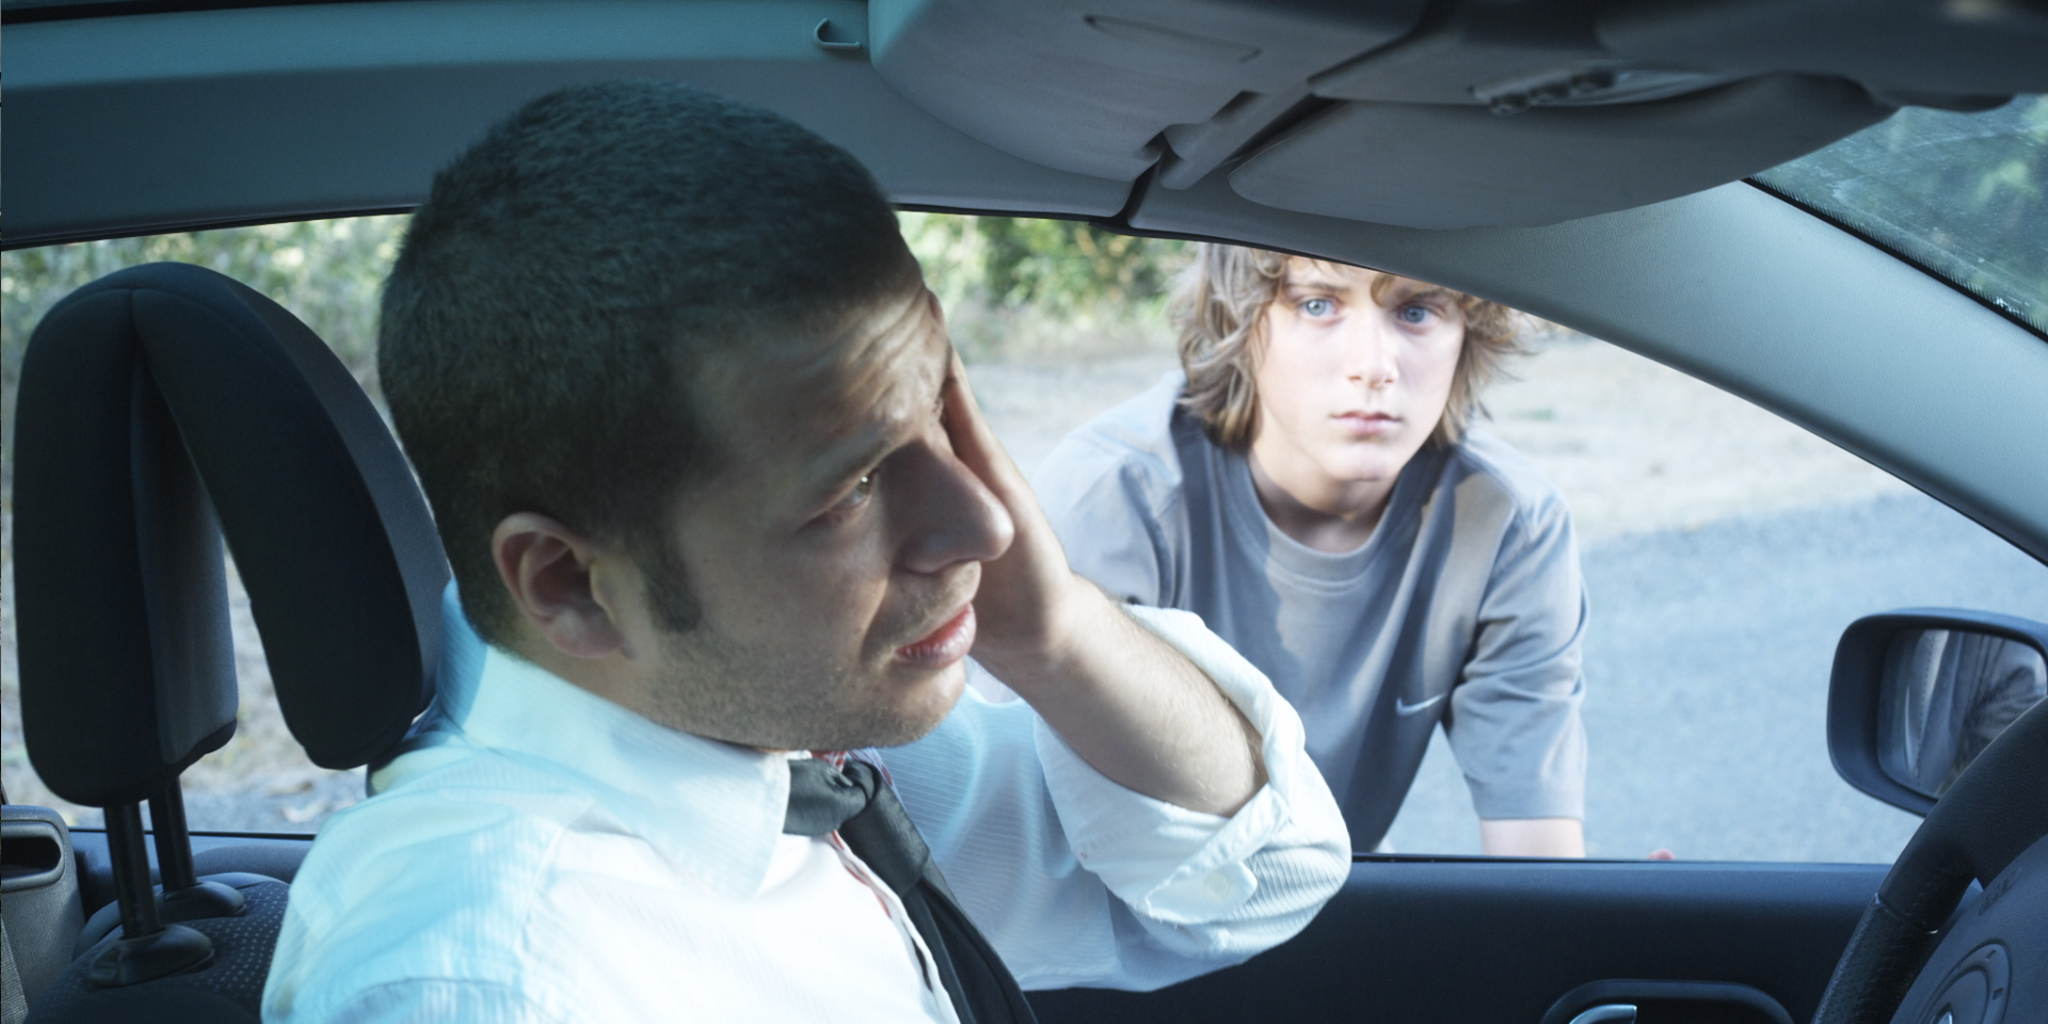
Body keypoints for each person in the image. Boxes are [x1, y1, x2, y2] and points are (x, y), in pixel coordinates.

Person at [259, 84, 1349, 1023]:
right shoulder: (500, 977)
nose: (987, 522)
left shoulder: (765, 727)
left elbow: (1257, 877)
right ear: (569, 585)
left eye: (941, 415)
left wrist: (1052, 632)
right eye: (853, 487)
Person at [1035, 244, 1588, 856]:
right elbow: (1023, 837)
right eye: (1318, 304)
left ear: (1468, 332)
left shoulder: (1510, 523)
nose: (1373, 366)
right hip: (1113, 901)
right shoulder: (1115, 497)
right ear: (1242, 318)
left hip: (1333, 895)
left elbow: (1536, 854)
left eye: (1417, 311)